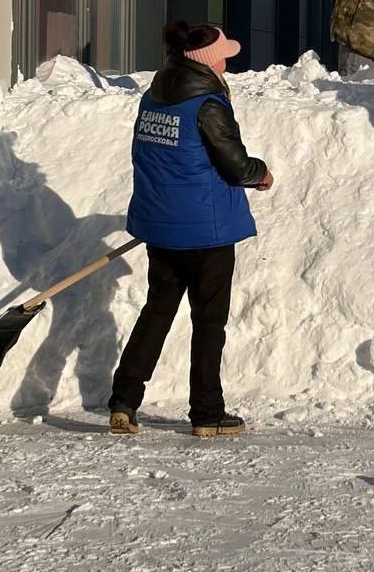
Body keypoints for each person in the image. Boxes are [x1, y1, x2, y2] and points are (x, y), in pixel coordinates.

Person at [108, 22, 272, 438]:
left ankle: (124, 401)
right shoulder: (208, 104)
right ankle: (207, 413)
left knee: (157, 312)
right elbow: (234, 165)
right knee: (208, 323)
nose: (226, 64)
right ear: (208, 61)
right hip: (206, 232)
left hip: (161, 228)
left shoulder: (153, 97)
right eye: (223, 57)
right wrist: (261, 174)